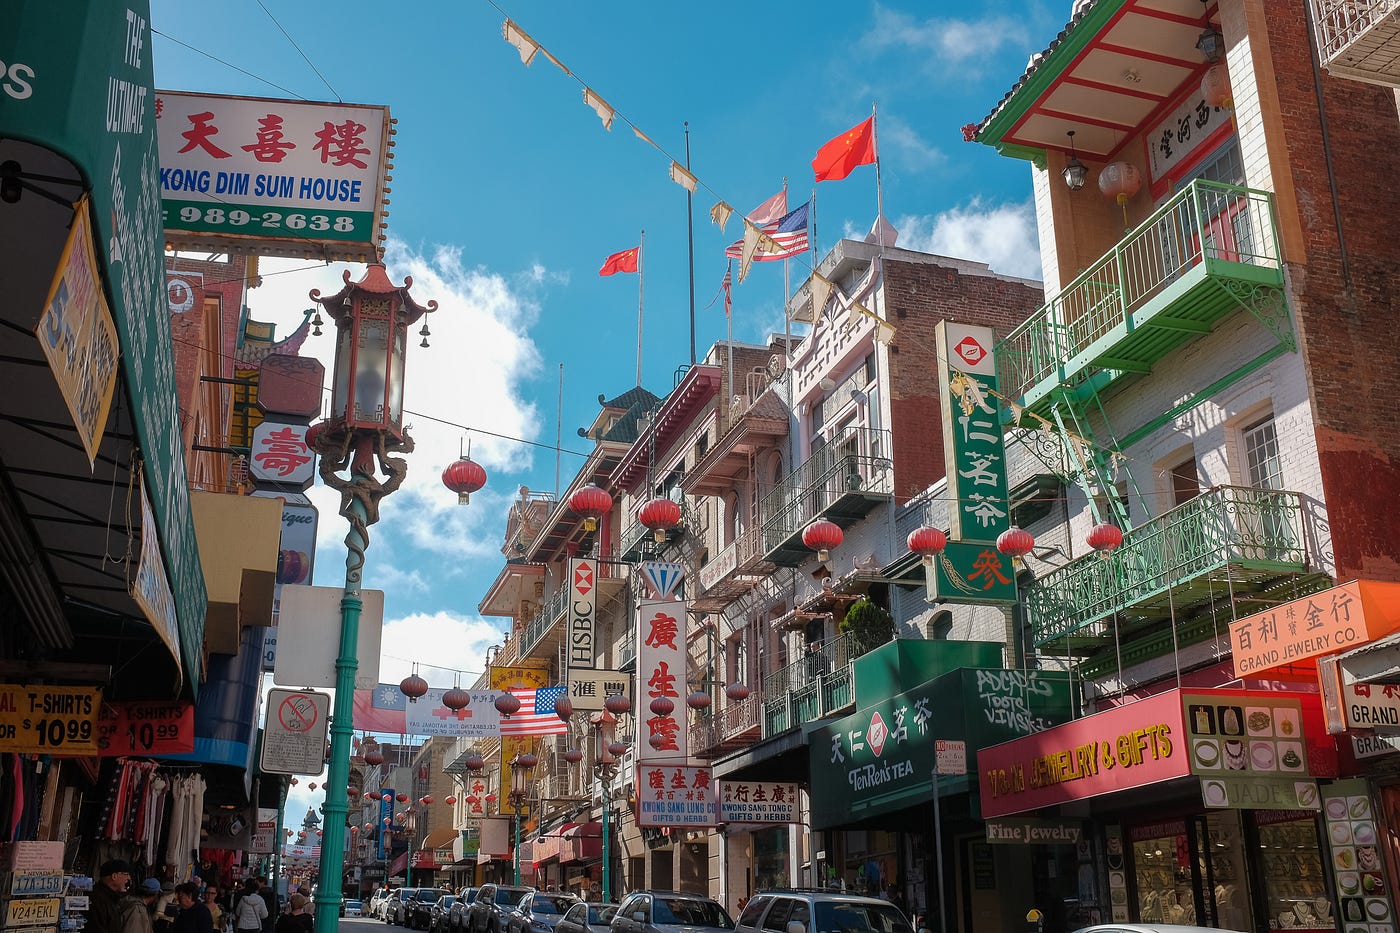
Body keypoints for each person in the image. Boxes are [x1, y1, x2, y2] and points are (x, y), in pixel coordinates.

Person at [91, 860, 135, 933]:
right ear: (114, 876)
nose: (129, 878)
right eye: (126, 874)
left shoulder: (111, 898)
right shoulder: (97, 899)